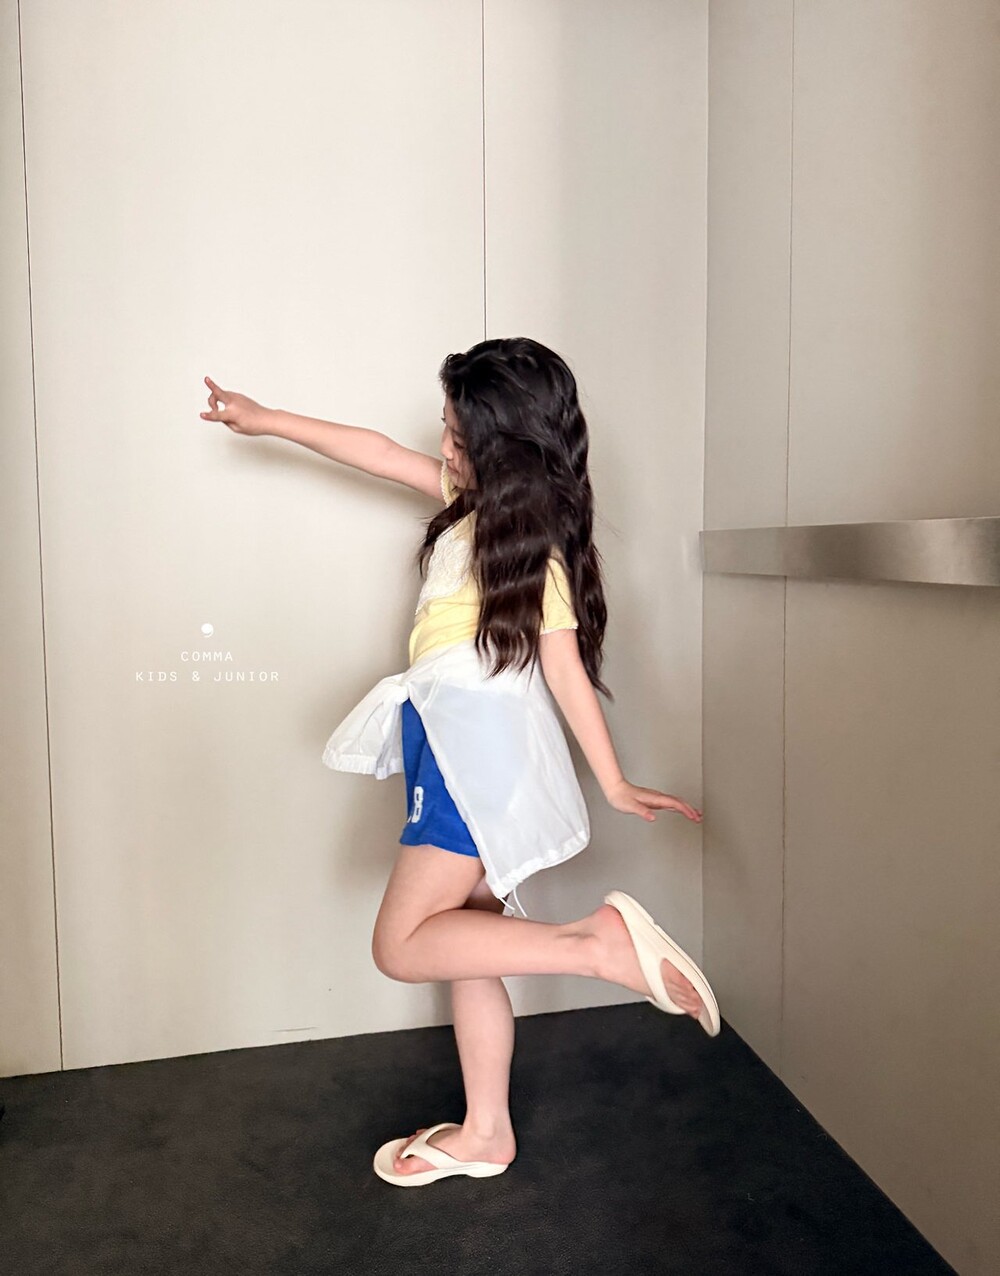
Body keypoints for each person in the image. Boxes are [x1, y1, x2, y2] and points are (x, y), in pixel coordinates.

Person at [198, 337, 720, 1188]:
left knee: (402, 945)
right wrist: (267, 420)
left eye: (456, 434)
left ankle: (595, 946)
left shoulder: (532, 546)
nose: (442, 447)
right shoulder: (468, 506)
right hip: (453, 740)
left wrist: (615, 780)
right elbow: (374, 451)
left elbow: (563, 668)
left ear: (506, 447)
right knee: (466, 947)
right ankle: (486, 1133)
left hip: (468, 753)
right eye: (445, 428)